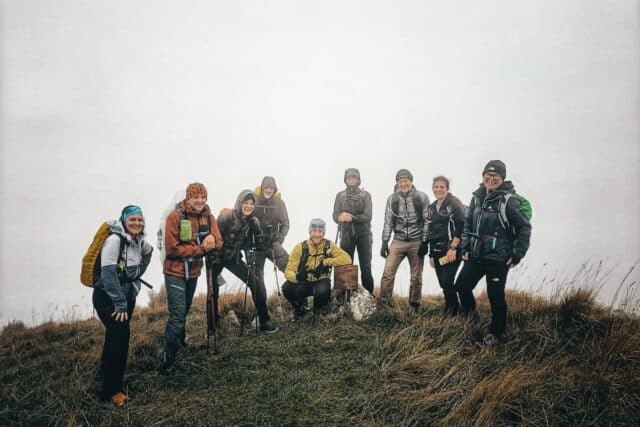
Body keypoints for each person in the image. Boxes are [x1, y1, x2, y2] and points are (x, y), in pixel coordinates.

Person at [455, 160, 532, 346]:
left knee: (495, 295)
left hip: (498, 258)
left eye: (495, 175)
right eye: (487, 175)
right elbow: (468, 225)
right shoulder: (477, 198)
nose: (491, 178)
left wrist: (517, 254)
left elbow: (524, 227)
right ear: (483, 176)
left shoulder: (509, 201)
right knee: (461, 286)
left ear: (502, 178)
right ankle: (471, 318)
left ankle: (495, 334)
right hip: (475, 255)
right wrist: (465, 248)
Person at [159, 183, 223, 373]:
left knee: (183, 311)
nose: (200, 200)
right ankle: (166, 364)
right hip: (175, 272)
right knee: (177, 317)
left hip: (193, 272)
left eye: (203, 197)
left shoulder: (208, 216)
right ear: (187, 198)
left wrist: (212, 238)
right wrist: (201, 248)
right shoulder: (176, 216)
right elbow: (172, 248)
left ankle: (177, 346)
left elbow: (219, 242)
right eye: (195, 197)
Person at [93, 205, 153, 405]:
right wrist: (119, 304)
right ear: (124, 221)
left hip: (126, 298)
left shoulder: (139, 241)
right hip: (107, 298)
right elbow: (108, 274)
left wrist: (136, 275)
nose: (136, 223)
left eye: (139, 219)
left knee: (115, 335)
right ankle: (111, 391)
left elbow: (149, 253)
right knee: (120, 337)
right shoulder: (114, 240)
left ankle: (106, 373)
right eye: (132, 220)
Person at [212, 189, 279, 333]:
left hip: (233, 259)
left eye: (251, 203)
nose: (248, 206)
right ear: (239, 203)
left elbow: (258, 243)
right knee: (213, 292)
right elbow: (214, 236)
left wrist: (267, 238)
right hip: (216, 259)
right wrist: (214, 260)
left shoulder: (253, 221)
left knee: (256, 284)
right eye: (245, 203)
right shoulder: (226, 217)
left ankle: (264, 322)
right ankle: (212, 328)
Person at [379, 169, 430, 311]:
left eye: (406, 180)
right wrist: (384, 241)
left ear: (411, 181)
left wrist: (424, 242)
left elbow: (427, 221)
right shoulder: (392, 199)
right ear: (397, 183)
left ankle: (414, 304)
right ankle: (384, 304)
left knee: (416, 276)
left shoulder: (422, 197)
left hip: (416, 240)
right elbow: (388, 221)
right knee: (388, 273)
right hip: (398, 240)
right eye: (400, 181)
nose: (403, 183)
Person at [282, 218, 352, 320]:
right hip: (304, 281)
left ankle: (317, 311)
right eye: (314, 231)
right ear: (310, 232)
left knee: (323, 290)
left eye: (320, 231)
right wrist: (296, 277)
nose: (317, 234)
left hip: (321, 281)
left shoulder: (329, 245)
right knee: (287, 287)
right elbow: (288, 270)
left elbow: (347, 259)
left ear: (323, 233)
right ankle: (301, 309)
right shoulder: (300, 247)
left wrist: (326, 262)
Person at [426, 176, 466, 316]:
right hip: (437, 250)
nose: (438, 189)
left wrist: (453, 248)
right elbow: (431, 232)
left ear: (447, 188)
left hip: (452, 249)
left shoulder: (454, 202)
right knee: (443, 284)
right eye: (436, 187)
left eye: (442, 187)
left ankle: (452, 312)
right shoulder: (431, 207)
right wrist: (431, 255)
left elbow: (461, 226)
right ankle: (454, 308)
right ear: (432, 189)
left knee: (447, 281)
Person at [332, 168, 374, 295]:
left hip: (364, 236)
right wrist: (339, 217)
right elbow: (335, 215)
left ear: (358, 180)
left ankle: (368, 297)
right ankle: (345, 298)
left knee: (365, 267)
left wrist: (352, 218)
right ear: (345, 180)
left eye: (354, 178)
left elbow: (368, 216)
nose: (351, 180)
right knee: (345, 266)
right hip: (346, 235)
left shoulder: (366, 195)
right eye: (348, 178)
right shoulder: (340, 196)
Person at [253, 176, 290, 287]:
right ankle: (261, 304)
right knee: (257, 279)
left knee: (290, 267)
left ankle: (301, 301)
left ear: (275, 189)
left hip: (273, 243)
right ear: (262, 187)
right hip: (257, 244)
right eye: (266, 187)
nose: (269, 190)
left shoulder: (279, 203)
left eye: (271, 188)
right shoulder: (254, 201)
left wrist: (279, 240)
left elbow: (285, 224)